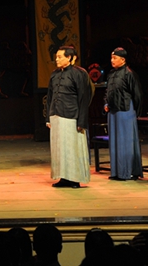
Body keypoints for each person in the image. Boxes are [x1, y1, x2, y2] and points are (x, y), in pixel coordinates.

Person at [45, 46, 92, 189]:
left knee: (72, 149)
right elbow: (50, 97)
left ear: (70, 58)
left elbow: (84, 98)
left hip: (72, 116)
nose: (57, 59)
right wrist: (48, 117)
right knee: (59, 149)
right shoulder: (54, 74)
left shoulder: (79, 73)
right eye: (56, 57)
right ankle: (64, 178)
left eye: (60, 57)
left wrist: (82, 121)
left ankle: (74, 179)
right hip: (56, 114)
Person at [104, 48, 143, 181]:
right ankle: (117, 172)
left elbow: (137, 94)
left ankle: (128, 171)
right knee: (115, 142)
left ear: (123, 59)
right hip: (113, 111)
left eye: (115, 58)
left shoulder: (129, 74)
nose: (112, 60)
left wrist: (136, 113)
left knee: (125, 142)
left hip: (125, 110)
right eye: (111, 58)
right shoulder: (111, 74)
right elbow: (108, 91)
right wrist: (106, 103)